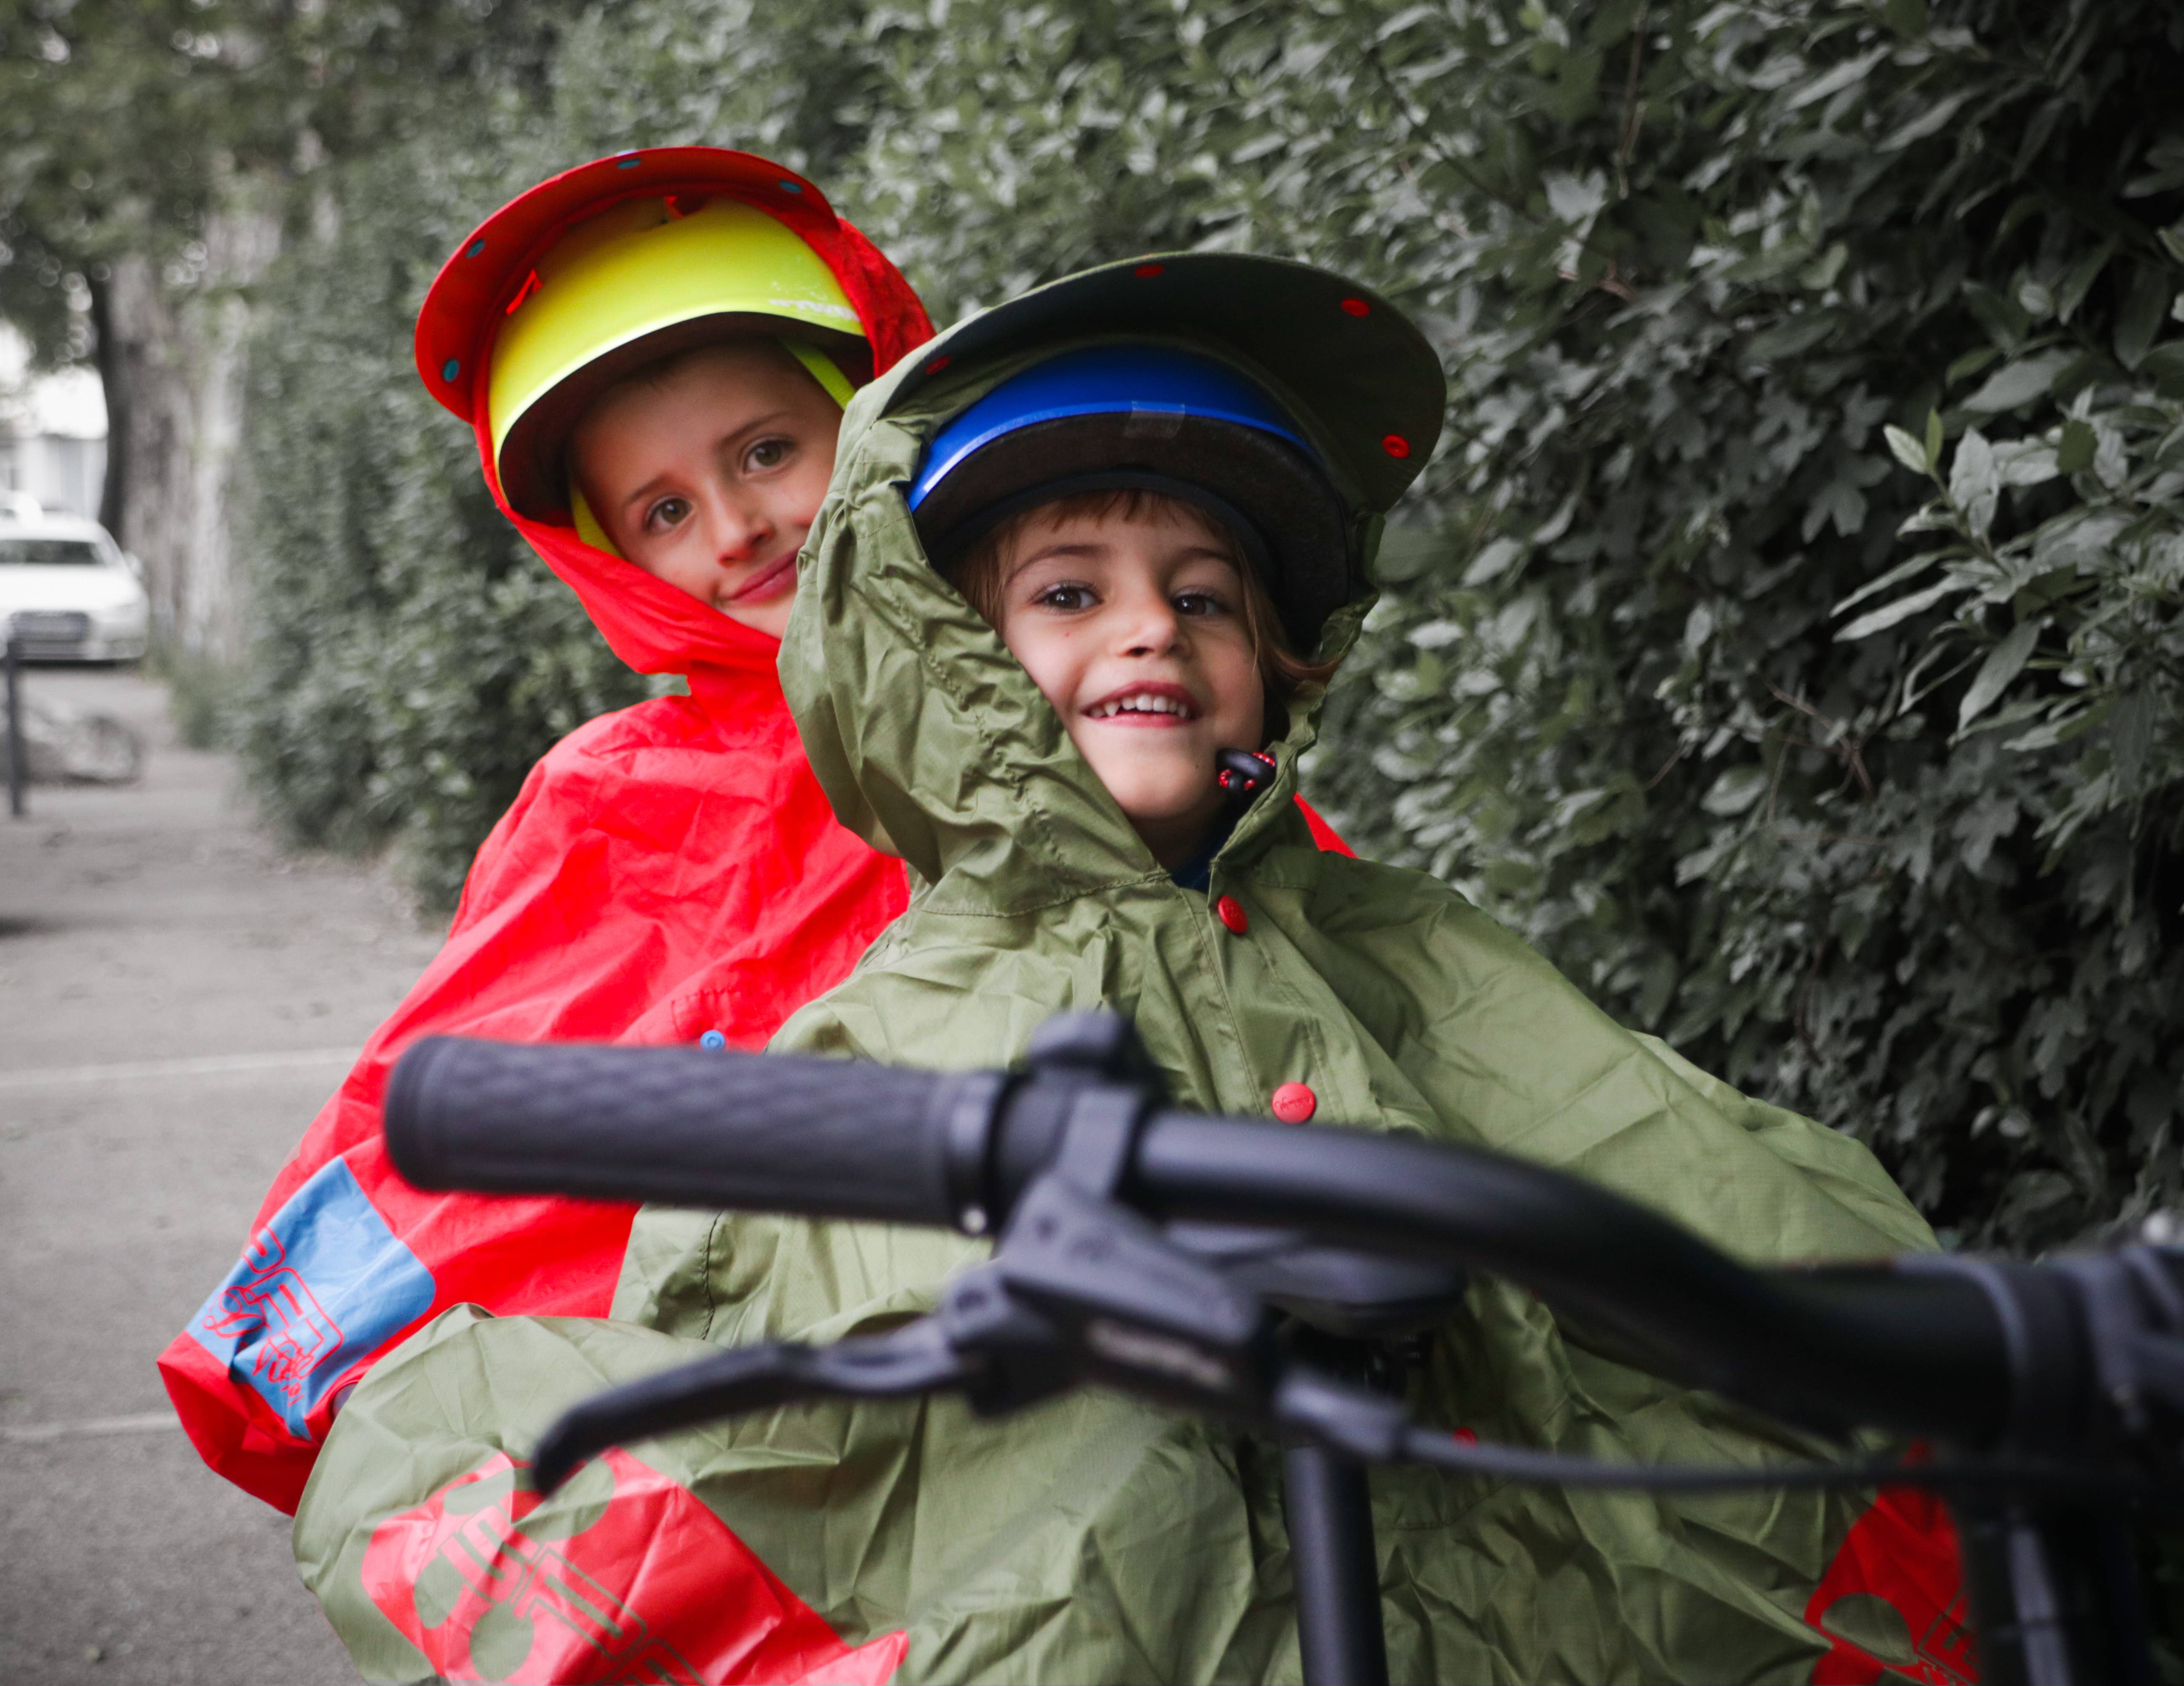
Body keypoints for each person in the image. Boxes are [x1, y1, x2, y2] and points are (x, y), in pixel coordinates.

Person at [299, 254, 1969, 1684]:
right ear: (955, 657)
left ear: (1279, 658)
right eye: (1071, 593)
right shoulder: (885, 1010)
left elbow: (1714, 1198)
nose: (1154, 628)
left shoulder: (1398, 942)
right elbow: (785, 1406)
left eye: (1206, 597)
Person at [154, 148, 938, 1514]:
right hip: (773, 1450)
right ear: (611, 558)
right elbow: (452, 1097)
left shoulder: (1078, 668)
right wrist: (293, 1347)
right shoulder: (613, 799)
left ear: (868, 418)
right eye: (667, 511)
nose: (743, 527)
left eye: (767, 450)